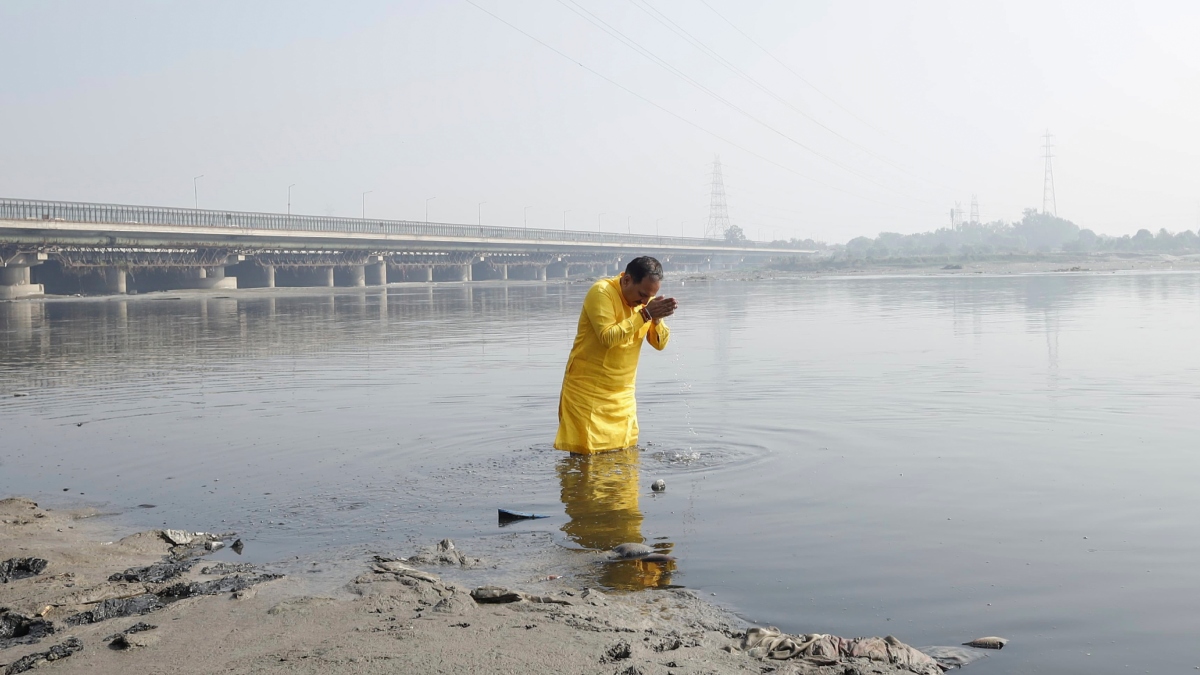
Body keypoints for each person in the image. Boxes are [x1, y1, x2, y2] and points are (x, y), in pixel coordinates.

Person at [554, 256, 677, 454]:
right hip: (587, 396)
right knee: (585, 466)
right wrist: (646, 314)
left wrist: (656, 320)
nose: (645, 301)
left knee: (626, 468)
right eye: (642, 295)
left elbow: (660, 344)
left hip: (623, 398)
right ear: (627, 280)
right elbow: (608, 337)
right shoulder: (602, 292)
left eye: (650, 297)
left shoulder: (646, 304)